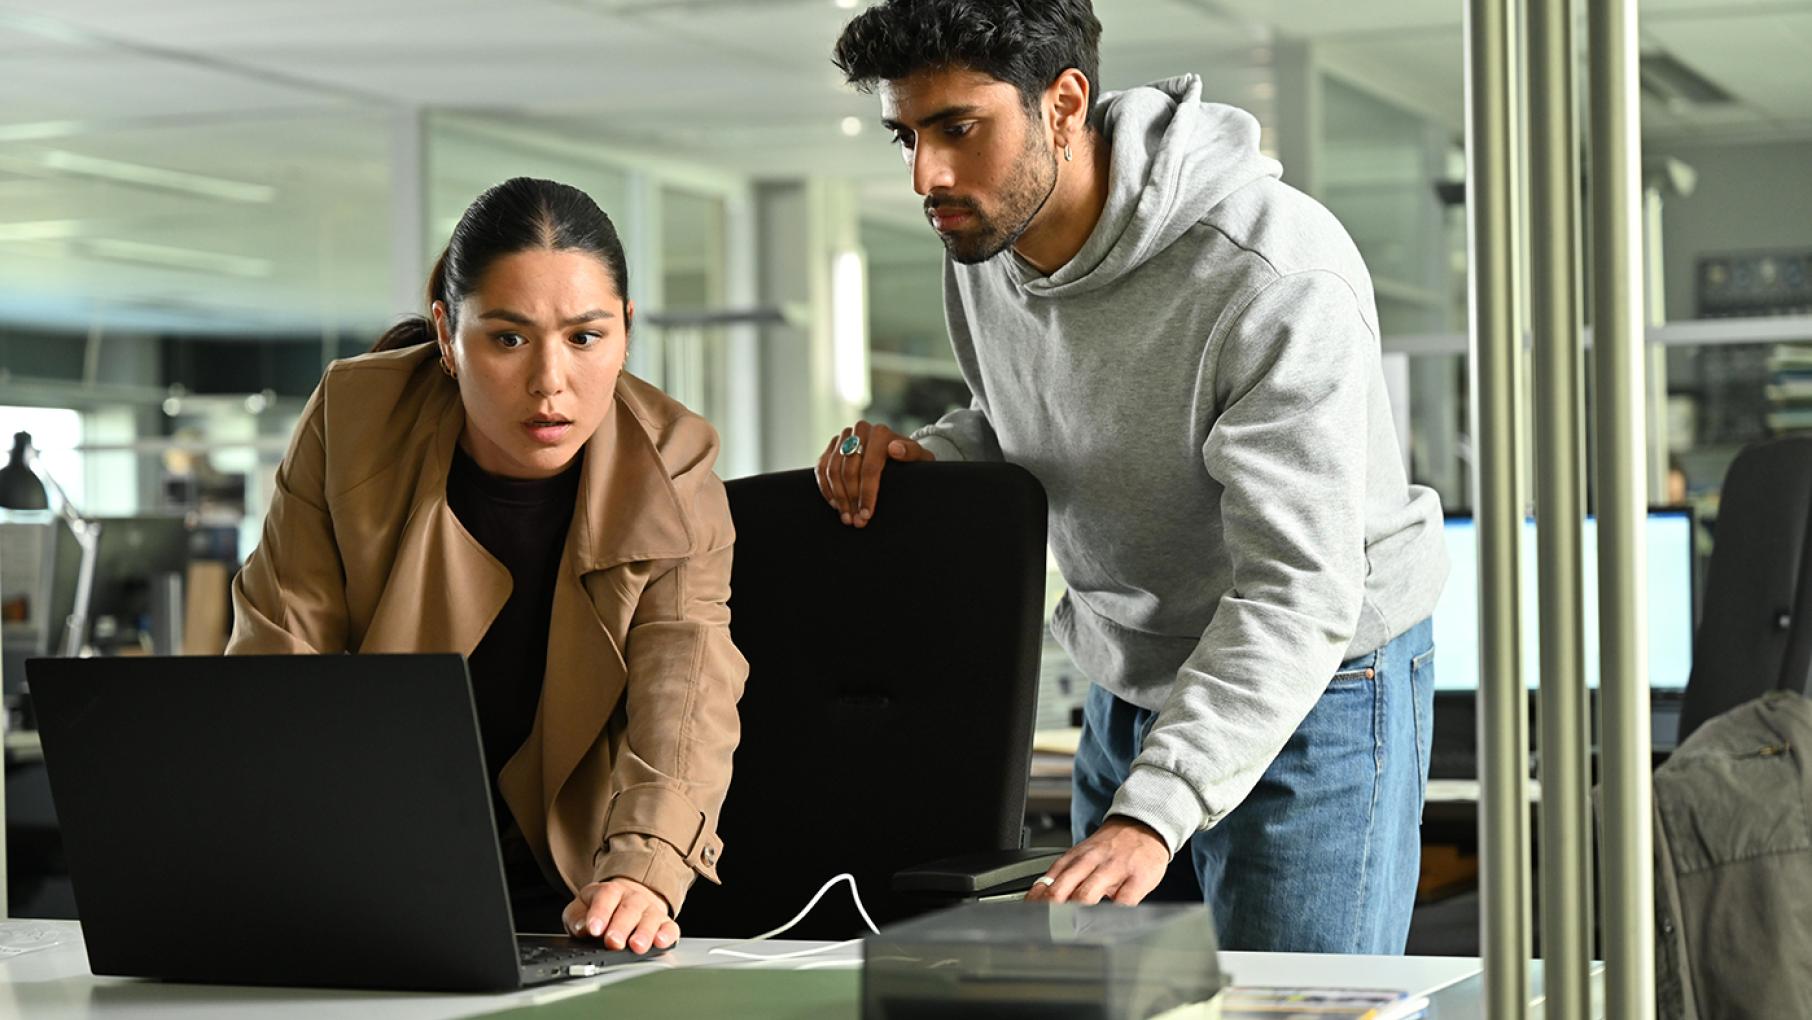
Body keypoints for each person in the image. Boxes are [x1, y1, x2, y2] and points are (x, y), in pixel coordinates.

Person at [824, 0, 1448, 954]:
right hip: (1130, 668)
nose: (928, 175)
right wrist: (939, 457)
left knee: (1292, 1015)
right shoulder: (986, 239)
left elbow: (1301, 585)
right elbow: (1038, 416)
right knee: (1117, 999)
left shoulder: (1271, 274)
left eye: (958, 128)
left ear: (1064, 103)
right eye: (906, 135)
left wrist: (1153, 810)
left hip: (1320, 673)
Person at [227, 177, 747, 956]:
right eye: (507, 338)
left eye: (585, 337)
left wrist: (645, 869)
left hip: (579, 890)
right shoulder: (353, 418)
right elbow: (278, 657)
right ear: (446, 332)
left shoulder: (674, 463)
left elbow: (688, 689)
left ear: (627, 333)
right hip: (372, 869)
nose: (550, 382)